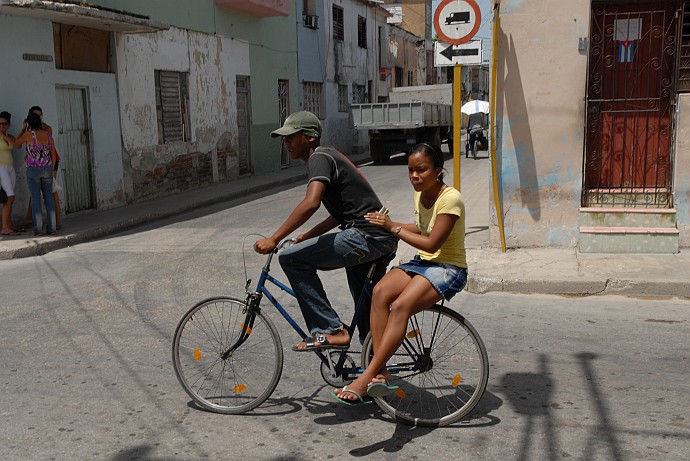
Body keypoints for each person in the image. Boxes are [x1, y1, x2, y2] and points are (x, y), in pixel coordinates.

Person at [332, 143, 468, 405]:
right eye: (410, 170)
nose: (414, 176)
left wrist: (393, 228)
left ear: (438, 171)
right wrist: (383, 225)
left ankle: (366, 377)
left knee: (401, 306)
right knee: (380, 293)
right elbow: (420, 228)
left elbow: (432, 243)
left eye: (421, 170)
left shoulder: (450, 199)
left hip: (448, 268)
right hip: (424, 264)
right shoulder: (421, 194)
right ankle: (381, 373)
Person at [254, 111, 398, 350]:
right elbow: (339, 215)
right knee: (366, 310)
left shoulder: (319, 158)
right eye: (284, 138)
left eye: (291, 137)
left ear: (309, 137)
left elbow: (311, 203)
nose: (285, 142)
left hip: (366, 236)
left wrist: (274, 238)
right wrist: (307, 236)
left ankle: (330, 330)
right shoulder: (329, 157)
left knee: (291, 259)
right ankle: (373, 372)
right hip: (377, 237)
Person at [11, 112, 57, 235]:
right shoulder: (48, 135)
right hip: (47, 169)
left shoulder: (28, 135)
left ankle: (38, 228)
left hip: (33, 170)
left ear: (29, 123)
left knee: (36, 199)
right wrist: (51, 169)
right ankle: (52, 227)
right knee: (49, 198)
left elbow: (15, 144)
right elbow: (53, 154)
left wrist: (23, 128)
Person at [19, 106, 62, 230]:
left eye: (39, 115)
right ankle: (29, 220)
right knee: (35, 195)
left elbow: (44, 144)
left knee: (51, 192)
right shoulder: (28, 130)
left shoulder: (46, 129)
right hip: (38, 164)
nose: (38, 117)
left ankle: (57, 222)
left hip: (49, 162)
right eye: (35, 115)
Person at [0, 111, 19, 236]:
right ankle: (4, 227)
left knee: (10, 197)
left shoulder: (9, 136)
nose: (2, 126)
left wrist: (3, 134)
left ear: (8, 124)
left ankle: (9, 224)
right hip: (1, 168)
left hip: (10, 168)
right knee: (10, 196)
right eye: (0, 124)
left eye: (5, 124)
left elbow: (16, 145)